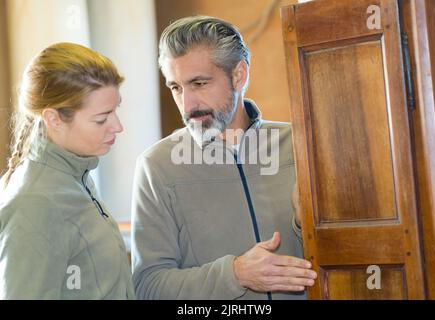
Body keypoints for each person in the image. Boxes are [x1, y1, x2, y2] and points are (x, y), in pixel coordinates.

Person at [131, 16, 316, 300]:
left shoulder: (303, 145)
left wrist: (308, 226)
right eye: (176, 88)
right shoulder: (156, 167)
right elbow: (149, 287)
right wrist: (236, 274)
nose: (188, 104)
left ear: (239, 75)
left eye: (199, 83)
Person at [0, 43, 135, 299]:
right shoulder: (34, 203)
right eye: (101, 118)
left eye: (115, 110)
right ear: (53, 119)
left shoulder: (75, 172)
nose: (117, 126)